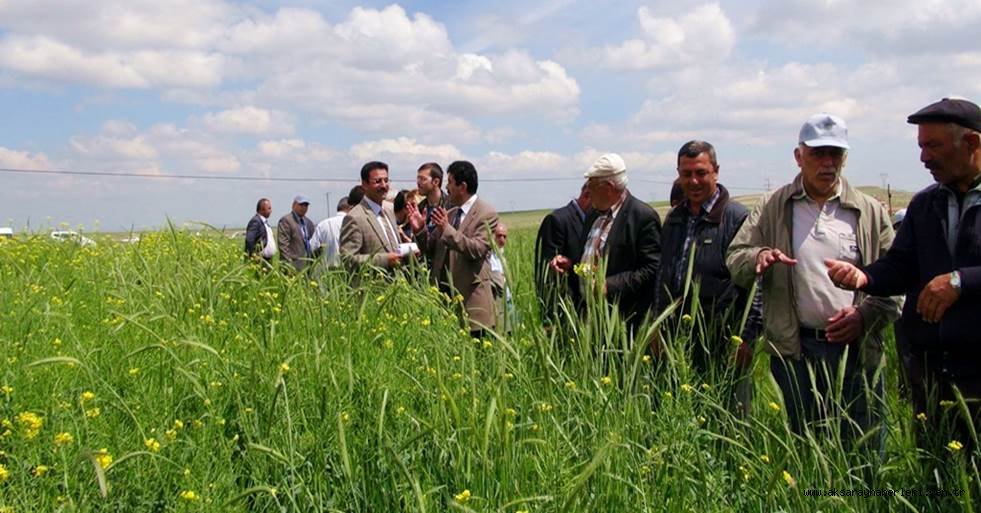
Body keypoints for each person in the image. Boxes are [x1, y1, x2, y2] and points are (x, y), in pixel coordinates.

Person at [726, 114, 900, 443]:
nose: (828, 163)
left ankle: (863, 497)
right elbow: (736, 256)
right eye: (818, 154)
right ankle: (810, 497)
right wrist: (758, 257)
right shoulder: (774, 205)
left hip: (857, 350)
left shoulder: (867, 211)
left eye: (836, 154)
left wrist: (865, 316)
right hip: (795, 349)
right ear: (798, 156)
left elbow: (897, 279)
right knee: (806, 445)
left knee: (862, 446)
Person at [825, 98, 981, 452]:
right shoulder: (926, 204)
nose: (924, 158)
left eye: (933, 146)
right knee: (935, 477)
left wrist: (961, 281)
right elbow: (901, 265)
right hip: (931, 372)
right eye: (921, 146)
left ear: (971, 143)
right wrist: (864, 277)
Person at [655, 140, 762, 417]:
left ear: (716, 171)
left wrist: (746, 338)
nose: (693, 180)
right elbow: (663, 274)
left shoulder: (737, 218)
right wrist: (656, 324)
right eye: (686, 173)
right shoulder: (675, 218)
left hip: (725, 339)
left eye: (701, 172)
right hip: (680, 340)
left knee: (729, 417)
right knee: (685, 414)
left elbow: (757, 286)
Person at [549, 153, 662, 331]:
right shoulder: (593, 215)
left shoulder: (642, 217)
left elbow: (651, 268)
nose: (587, 190)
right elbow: (590, 261)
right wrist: (571, 265)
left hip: (622, 321)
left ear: (608, 187)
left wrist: (608, 286)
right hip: (588, 318)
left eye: (591, 185)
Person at [409, 160, 499, 337]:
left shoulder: (486, 213)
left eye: (449, 182)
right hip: (444, 300)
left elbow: (476, 250)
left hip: (472, 301)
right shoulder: (449, 212)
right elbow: (430, 248)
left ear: (462, 186)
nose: (446, 188)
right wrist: (420, 230)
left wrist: (447, 230)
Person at [534, 183, 590, 325]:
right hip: (566, 309)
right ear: (587, 196)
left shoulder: (594, 221)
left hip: (588, 305)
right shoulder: (557, 220)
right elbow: (546, 272)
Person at [339, 162, 406, 271]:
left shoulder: (389, 209)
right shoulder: (355, 217)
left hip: (400, 283)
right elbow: (348, 259)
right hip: (375, 285)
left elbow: (394, 248)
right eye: (378, 181)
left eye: (386, 180)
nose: (384, 185)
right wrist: (385, 260)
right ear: (364, 184)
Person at [310, 186, 363, 269]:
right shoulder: (356, 223)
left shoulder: (323, 224)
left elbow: (313, 248)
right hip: (349, 271)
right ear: (351, 208)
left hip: (326, 273)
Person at [277, 195, 316, 273]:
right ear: (293, 205)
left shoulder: (309, 222)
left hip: (307, 266)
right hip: (292, 267)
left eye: (306, 205)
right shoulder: (286, 220)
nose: (304, 208)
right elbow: (283, 245)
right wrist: (288, 266)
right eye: (301, 205)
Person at [489, 223, 515, 332]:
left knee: (514, 329)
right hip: (499, 299)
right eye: (499, 235)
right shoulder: (489, 255)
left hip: (509, 298)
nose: (502, 239)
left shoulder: (502, 255)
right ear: (492, 236)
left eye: (505, 236)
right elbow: (497, 278)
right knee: (503, 329)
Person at [245, 198, 276, 264]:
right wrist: (252, 256)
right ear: (262, 209)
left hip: (267, 260)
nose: (271, 211)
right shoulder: (256, 221)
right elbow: (249, 240)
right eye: (269, 208)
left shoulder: (264, 222)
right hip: (260, 260)